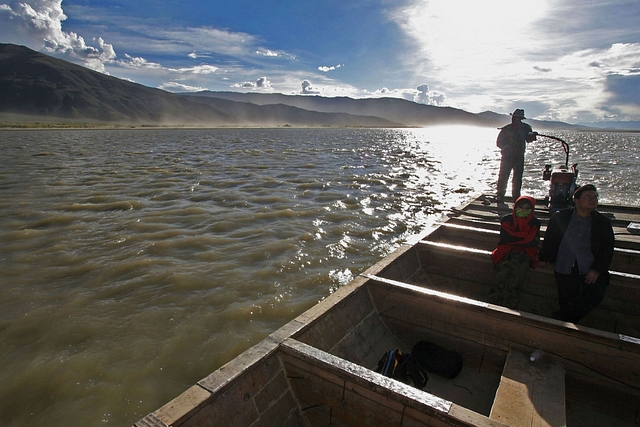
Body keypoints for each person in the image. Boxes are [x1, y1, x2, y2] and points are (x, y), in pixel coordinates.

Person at [538, 184, 615, 323]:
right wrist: (544, 258)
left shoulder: (602, 222)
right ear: (576, 200)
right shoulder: (561, 217)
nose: (593, 200)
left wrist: (597, 270)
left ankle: (563, 318)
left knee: (596, 294)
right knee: (566, 297)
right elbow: (550, 239)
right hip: (564, 264)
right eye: (588, 197)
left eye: (595, 197)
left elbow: (607, 248)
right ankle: (565, 324)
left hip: (588, 266)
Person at [489, 196, 540, 309]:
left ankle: (511, 307)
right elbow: (505, 237)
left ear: (532, 209)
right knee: (498, 280)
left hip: (524, 256)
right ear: (515, 207)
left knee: (515, 284)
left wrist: (516, 238)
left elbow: (532, 242)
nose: (523, 210)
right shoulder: (507, 219)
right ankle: (493, 304)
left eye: (527, 208)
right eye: (520, 207)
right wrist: (523, 239)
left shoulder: (535, 222)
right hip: (505, 254)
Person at [496, 109, 537, 202]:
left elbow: (529, 140)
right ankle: (500, 195)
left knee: (517, 178)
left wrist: (533, 136)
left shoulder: (526, 128)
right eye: (514, 117)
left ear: (521, 119)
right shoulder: (506, 129)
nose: (515, 119)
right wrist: (507, 147)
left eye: (517, 118)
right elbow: (498, 143)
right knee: (503, 176)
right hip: (506, 157)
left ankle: (516, 197)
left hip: (519, 157)